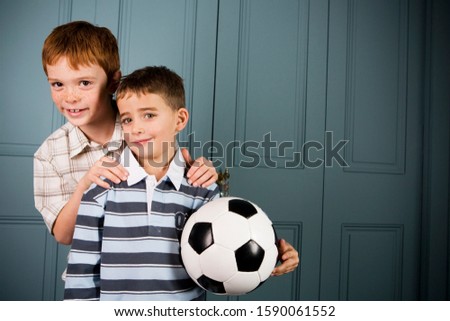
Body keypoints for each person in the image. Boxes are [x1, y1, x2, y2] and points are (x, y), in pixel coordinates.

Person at [64, 66, 298, 300]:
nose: (136, 128)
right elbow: (81, 272)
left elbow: (230, 246)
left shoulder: (202, 189)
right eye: (127, 119)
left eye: (149, 115)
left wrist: (274, 252)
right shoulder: (102, 188)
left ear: (180, 119)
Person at [34, 21, 218, 246]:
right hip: (101, 272)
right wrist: (85, 184)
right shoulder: (49, 155)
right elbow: (64, 235)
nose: (70, 97)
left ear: (112, 82)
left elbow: (183, 188)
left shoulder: (142, 127)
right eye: (57, 84)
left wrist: (200, 171)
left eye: (84, 83)